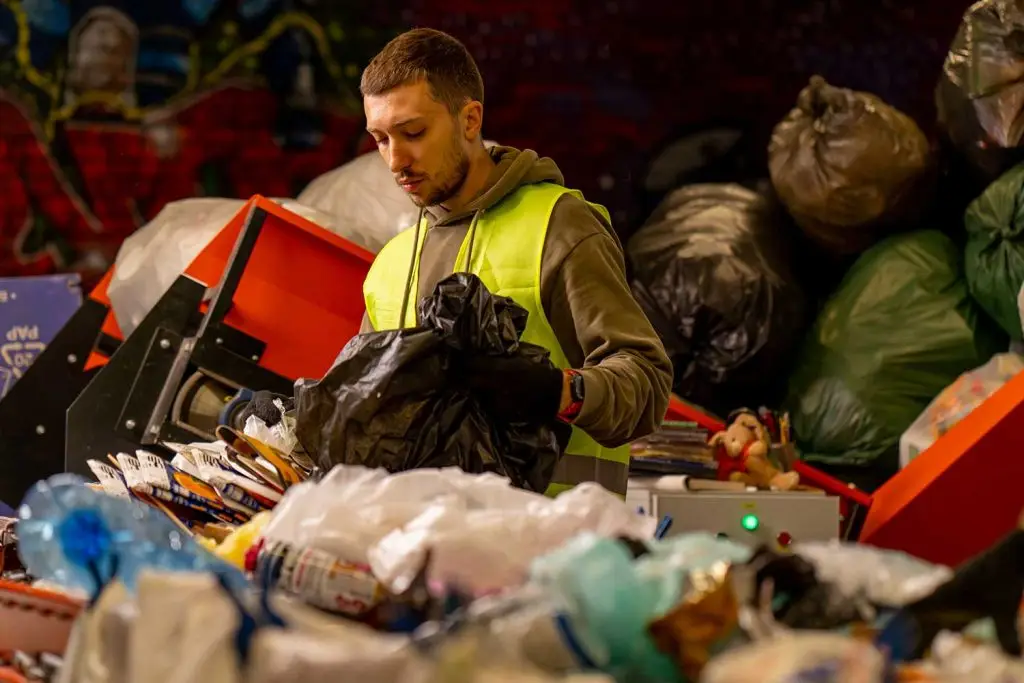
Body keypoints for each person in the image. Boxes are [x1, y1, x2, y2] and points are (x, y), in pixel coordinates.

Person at [357, 27, 673, 498]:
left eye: (413, 132)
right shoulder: (392, 264)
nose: (395, 159)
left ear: (470, 119)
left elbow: (645, 386)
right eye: (380, 139)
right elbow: (360, 409)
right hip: (423, 549)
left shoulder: (559, 226)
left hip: (556, 551)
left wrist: (557, 391)